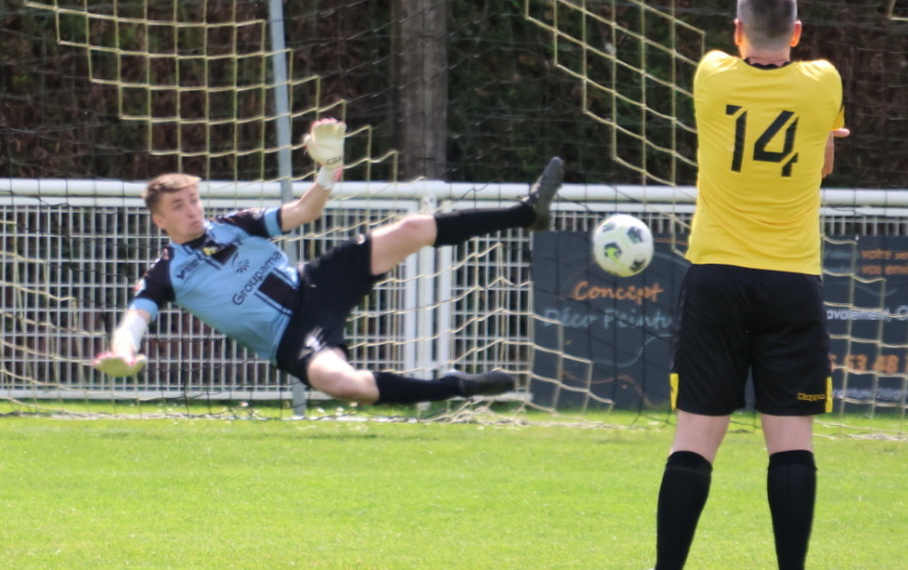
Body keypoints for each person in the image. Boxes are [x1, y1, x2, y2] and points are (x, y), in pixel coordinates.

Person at [628, 0, 846, 570]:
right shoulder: (824, 82)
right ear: (797, 33)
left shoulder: (712, 74)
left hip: (717, 275)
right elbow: (824, 159)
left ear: (737, 30)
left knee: (696, 435)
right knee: (791, 440)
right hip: (792, 280)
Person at [94, 118, 563, 406]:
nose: (192, 210)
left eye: (194, 200)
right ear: (159, 220)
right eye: (178, 206)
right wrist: (123, 353)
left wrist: (326, 170)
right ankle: (455, 387)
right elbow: (136, 319)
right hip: (291, 337)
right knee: (343, 384)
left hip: (317, 285)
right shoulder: (165, 273)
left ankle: (526, 213)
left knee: (411, 229)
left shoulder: (236, 224)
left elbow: (304, 212)